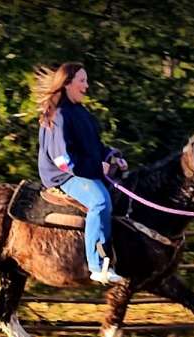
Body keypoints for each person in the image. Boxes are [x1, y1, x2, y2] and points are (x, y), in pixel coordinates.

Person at [35, 62, 127, 284]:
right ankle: (97, 265)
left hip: (84, 169)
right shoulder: (60, 116)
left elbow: (94, 147)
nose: (86, 86)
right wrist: (97, 168)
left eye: (86, 81)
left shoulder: (81, 112)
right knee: (100, 202)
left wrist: (111, 157)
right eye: (82, 81)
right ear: (67, 84)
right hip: (65, 176)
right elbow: (64, 162)